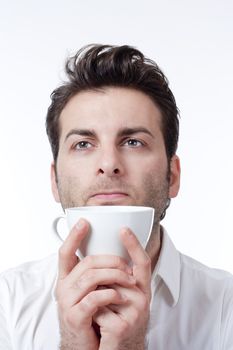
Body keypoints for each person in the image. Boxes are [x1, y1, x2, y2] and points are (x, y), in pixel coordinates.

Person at [0, 44, 233, 350]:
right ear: (54, 182)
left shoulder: (225, 306)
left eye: (133, 141)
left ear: (172, 177)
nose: (108, 163)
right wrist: (71, 344)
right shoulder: (8, 301)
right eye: (83, 144)